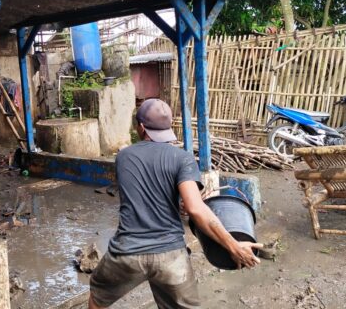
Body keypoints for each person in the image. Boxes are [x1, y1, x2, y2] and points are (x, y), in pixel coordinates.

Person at [88, 99, 262, 309]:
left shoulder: (124, 156)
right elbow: (194, 209)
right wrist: (233, 246)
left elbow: (147, 191)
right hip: (170, 256)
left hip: (127, 252)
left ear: (141, 127)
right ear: (169, 127)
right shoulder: (183, 159)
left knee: (98, 298)